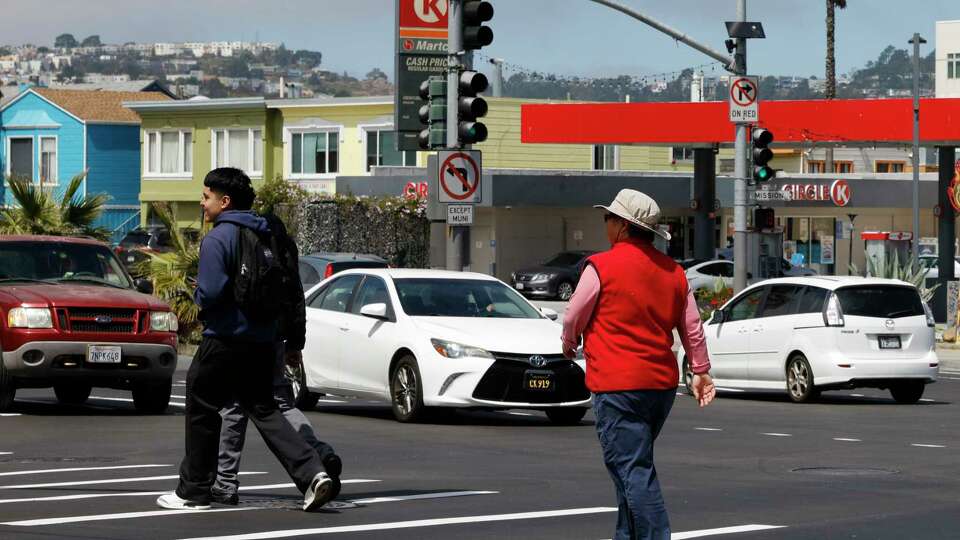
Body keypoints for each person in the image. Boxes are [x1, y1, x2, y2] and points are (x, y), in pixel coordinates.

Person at [157, 167, 334, 512]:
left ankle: (193, 490)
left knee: (200, 402)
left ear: (225, 202)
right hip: (263, 340)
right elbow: (288, 287)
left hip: (224, 338)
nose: (202, 203)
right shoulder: (267, 232)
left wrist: (198, 297)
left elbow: (211, 292)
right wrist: (292, 338)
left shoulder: (218, 238)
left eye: (206, 197)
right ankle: (313, 473)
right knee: (264, 408)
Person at [561, 189, 716, 540]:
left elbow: (574, 316)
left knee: (632, 470)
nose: (606, 223)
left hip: (617, 384)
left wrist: (570, 344)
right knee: (629, 469)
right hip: (660, 387)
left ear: (622, 227)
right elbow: (691, 325)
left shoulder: (601, 266)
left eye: (609, 218)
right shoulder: (675, 273)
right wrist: (701, 370)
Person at [212, 217, 342, 505]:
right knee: (281, 403)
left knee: (234, 407)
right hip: (277, 337)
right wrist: (296, 342)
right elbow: (296, 295)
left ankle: (225, 480)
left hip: (247, 335)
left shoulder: (245, 240)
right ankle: (317, 451)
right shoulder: (284, 247)